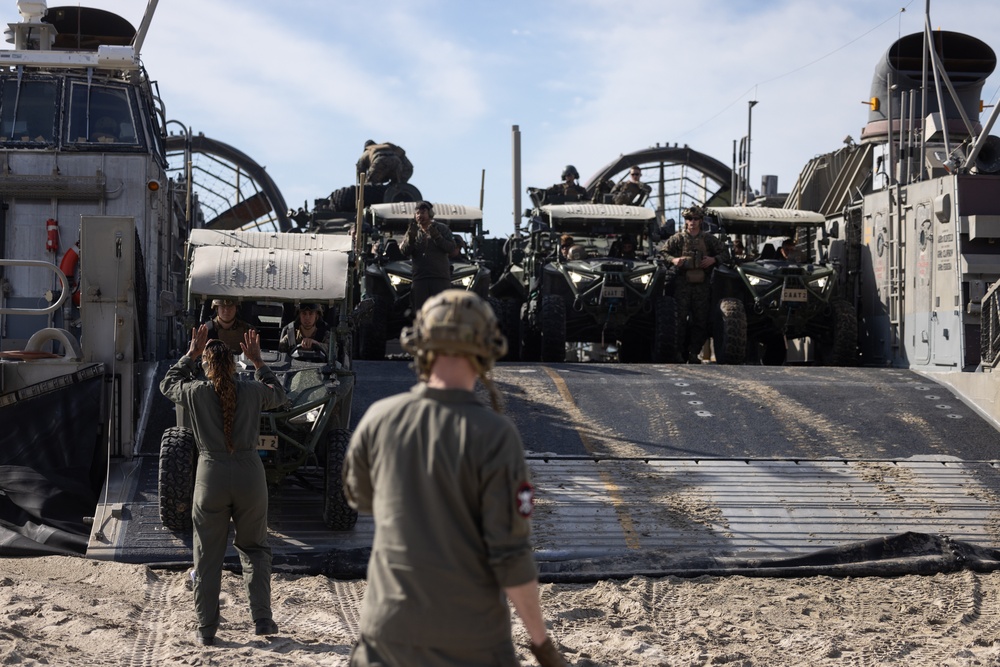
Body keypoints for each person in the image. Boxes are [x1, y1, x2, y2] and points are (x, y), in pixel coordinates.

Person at [343, 290, 567, 667]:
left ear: (420, 345)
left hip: (387, 636)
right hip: (470, 641)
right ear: (484, 349)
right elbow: (510, 558)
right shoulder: (496, 435)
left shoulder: (379, 419)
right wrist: (541, 644)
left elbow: (361, 499)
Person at [159, 326, 287, 646]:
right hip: (250, 475)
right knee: (255, 548)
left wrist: (190, 354)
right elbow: (279, 393)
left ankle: (207, 629)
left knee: (207, 555)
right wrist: (258, 363)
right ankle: (262, 618)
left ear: (206, 366)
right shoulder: (252, 390)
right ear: (233, 366)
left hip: (211, 475)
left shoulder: (196, 391)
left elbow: (167, 384)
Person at [661, 205, 729, 363]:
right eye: (688, 219)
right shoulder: (678, 238)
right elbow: (663, 252)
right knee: (679, 322)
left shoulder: (708, 239)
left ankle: (694, 353)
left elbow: (725, 253)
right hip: (682, 285)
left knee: (700, 321)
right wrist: (674, 260)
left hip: (702, 286)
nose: (692, 222)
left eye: (695, 219)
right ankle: (678, 353)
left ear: (701, 221)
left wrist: (714, 259)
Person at [399, 200, 459, 312]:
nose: (419, 215)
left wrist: (437, 237)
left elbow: (451, 248)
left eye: (423, 212)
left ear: (430, 214)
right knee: (421, 313)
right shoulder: (413, 230)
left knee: (442, 311)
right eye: (417, 213)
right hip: (420, 279)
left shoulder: (442, 229)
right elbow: (404, 252)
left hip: (440, 278)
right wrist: (411, 240)